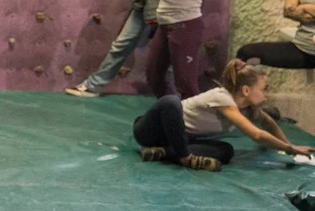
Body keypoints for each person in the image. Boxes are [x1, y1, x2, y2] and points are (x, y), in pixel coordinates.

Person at [133, 59, 314, 171]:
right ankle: (185, 158)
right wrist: (290, 149)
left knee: (226, 151)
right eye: (264, 89)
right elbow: (257, 135)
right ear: (245, 90)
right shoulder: (222, 98)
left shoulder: (248, 109)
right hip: (153, 131)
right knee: (171, 102)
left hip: (180, 140)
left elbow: (268, 123)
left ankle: (163, 152)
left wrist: (289, 146)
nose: (267, 94)